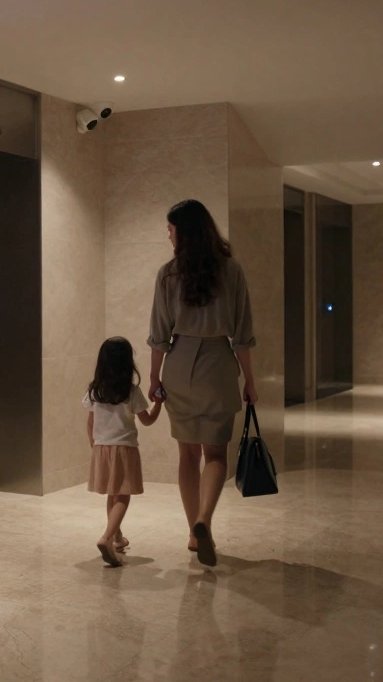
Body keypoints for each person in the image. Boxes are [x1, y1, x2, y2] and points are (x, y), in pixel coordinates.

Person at [147, 199, 256, 568]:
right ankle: (203, 520)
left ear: (183, 232)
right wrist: (251, 381)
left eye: (171, 228)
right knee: (216, 454)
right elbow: (242, 335)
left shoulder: (167, 273)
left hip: (179, 363)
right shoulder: (231, 270)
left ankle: (193, 535)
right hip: (218, 364)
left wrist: (154, 377)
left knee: (187, 454)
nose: (168, 234)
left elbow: (158, 335)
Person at [84, 337, 161, 567]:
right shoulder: (131, 392)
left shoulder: (95, 391)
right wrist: (159, 404)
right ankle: (106, 538)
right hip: (124, 448)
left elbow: (90, 422)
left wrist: (95, 445)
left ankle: (117, 537)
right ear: (128, 364)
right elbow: (147, 421)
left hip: (101, 447)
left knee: (111, 493)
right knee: (123, 495)